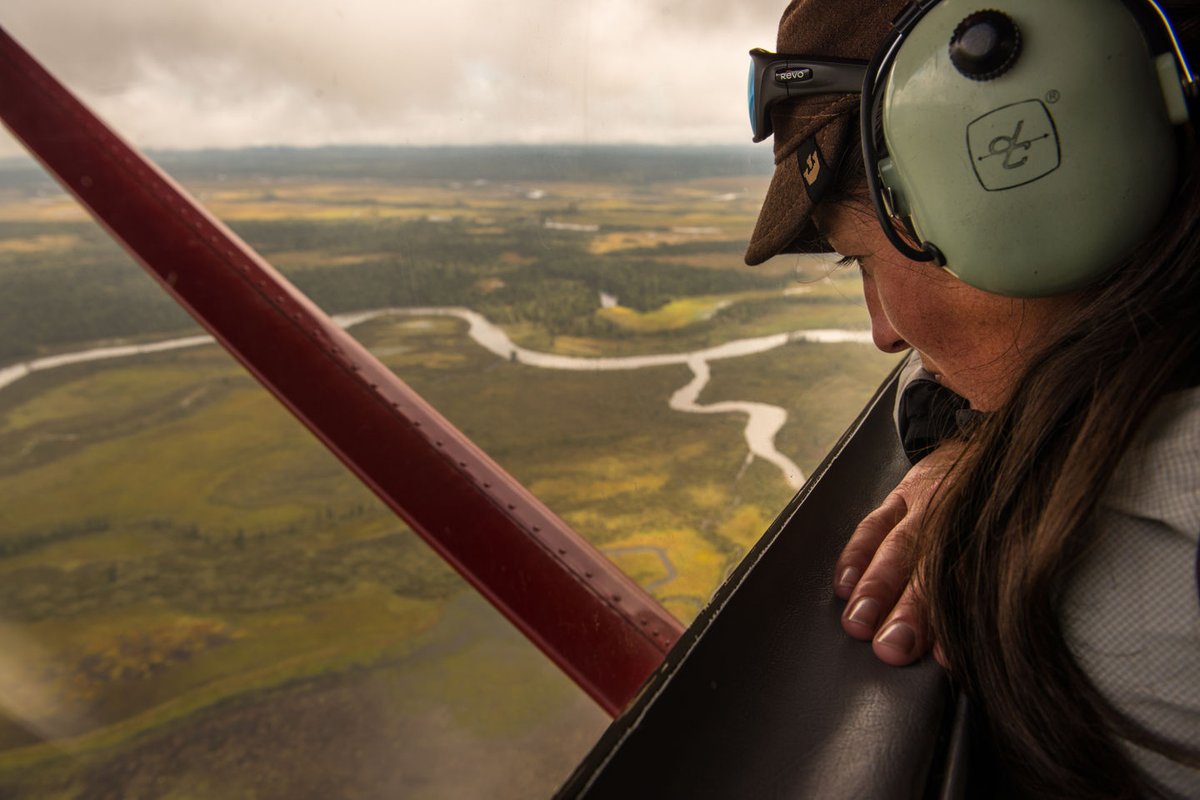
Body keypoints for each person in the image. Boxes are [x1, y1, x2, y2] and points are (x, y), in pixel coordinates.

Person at [746, 0, 1200, 797]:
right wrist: (981, 438)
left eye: (863, 259)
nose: (883, 332)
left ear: (1015, 167)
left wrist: (1002, 471)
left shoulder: (1122, 587)